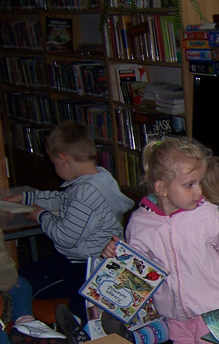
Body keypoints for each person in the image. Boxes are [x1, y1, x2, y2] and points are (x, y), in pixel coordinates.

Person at [102, 137, 219, 344]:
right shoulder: (140, 222)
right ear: (161, 187)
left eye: (199, 183)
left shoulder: (206, 215)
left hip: (213, 310)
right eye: (189, 185)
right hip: (175, 315)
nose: (199, 192)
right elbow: (137, 265)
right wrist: (114, 255)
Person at [6, 122, 134, 318]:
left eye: (53, 163)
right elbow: (63, 200)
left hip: (86, 270)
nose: (54, 167)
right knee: (22, 278)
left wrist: (41, 216)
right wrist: (27, 197)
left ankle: (35, 325)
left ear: (63, 159)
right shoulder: (99, 178)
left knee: (21, 286)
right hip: (81, 260)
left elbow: (65, 237)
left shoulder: (86, 192)